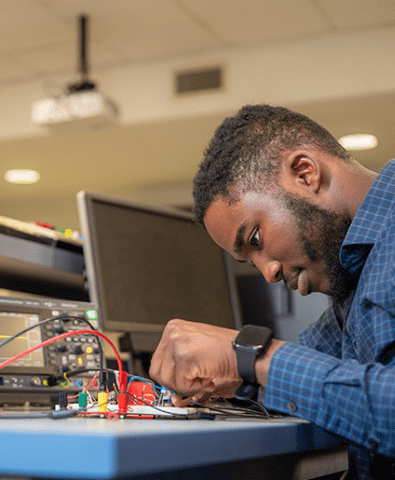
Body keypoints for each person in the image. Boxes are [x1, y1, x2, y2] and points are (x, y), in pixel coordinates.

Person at [148, 104, 395, 479]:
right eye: (250, 260)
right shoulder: (354, 275)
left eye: (256, 238)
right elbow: (320, 375)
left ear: (305, 173)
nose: (269, 272)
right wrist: (237, 378)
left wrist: (250, 357)